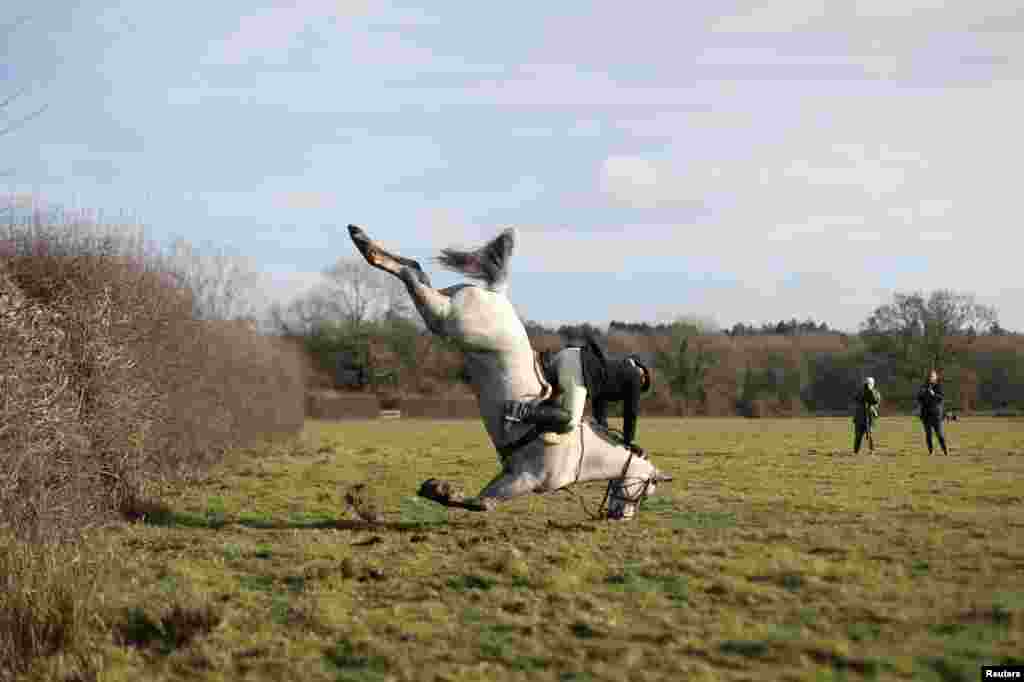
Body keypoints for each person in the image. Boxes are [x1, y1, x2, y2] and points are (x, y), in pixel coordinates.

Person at [505, 334, 651, 453]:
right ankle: (520, 411)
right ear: (642, 374)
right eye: (642, 385)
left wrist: (603, 428)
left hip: (567, 354)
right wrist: (629, 441)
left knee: (552, 405)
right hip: (577, 369)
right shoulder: (636, 376)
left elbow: (599, 401)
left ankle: (517, 444)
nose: (639, 387)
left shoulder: (616, 369)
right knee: (571, 422)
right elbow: (631, 411)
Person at [917, 369, 949, 455]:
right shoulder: (924, 386)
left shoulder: (939, 387)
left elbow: (940, 398)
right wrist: (922, 394)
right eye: (929, 376)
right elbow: (919, 399)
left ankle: (945, 450)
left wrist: (933, 394)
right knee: (928, 435)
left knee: (939, 434)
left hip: (936, 415)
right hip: (926, 415)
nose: (930, 378)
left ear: (936, 377)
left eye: (932, 376)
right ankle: (931, 451)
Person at [853, 377, 881, 454]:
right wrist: (863, 392)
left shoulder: (875, 392)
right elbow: (856, 398)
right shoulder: (860, 392)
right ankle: (856, 451)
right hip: (860, 417)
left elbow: (875, 401)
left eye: (868, 384)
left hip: (870, 417)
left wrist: (870, 391)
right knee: (858, 435)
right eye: (866, 384)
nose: (867, 385)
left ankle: (872, 450)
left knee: (870, 435)